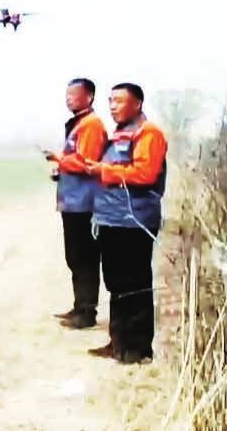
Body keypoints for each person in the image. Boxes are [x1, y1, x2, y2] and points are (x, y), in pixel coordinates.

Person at [84, 82, 170, 364]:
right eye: (110, 101)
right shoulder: (119, 135)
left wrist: (104, 170)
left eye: (119, 101)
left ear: (137, 104)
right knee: (116, 284)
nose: (112, 106)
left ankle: (137, 349)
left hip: (134, 221)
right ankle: (118, 342)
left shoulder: (149, 133)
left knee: (134, 284)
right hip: (111, 220)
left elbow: (145, 173)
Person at [44, 78, 107, 329]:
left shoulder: (91, 125)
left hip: (84, 204)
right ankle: (79, 305)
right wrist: (61, 170)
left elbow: (86, 163)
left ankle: (87, 312)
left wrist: (59, 158)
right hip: (72, 202)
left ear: (89, 97)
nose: (68, 99)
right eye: (67, 94)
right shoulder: (79, 124)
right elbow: (76, 162)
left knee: (85, 257)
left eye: (73, 94)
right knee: (75, 257)